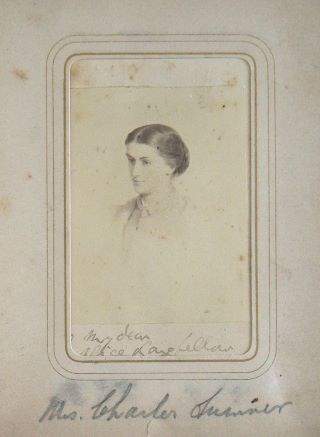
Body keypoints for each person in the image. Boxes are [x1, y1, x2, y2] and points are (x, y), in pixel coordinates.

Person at [116, 124, 190, 247]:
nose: (135, 172)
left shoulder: (188, 217)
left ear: (170, 166)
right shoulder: (120, 215)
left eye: (146, 162)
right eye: (131, 160)